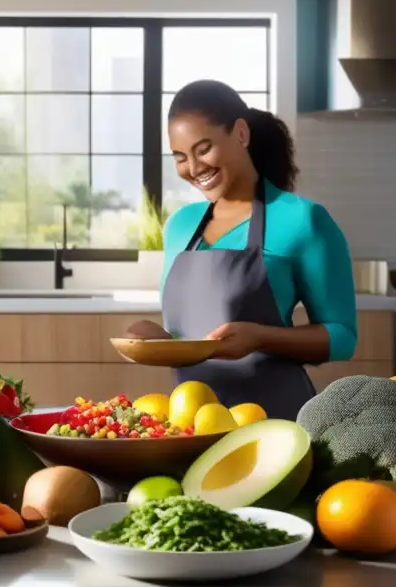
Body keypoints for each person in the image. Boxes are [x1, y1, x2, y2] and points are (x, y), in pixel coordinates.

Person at [136, 79, 357, 421]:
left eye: (203, 149)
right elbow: (197, 338)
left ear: (240, 134)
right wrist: (156, 339)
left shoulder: (302, 220)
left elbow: (342, 337)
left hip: (275, 423)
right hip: (191, 426)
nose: (193, 169)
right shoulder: (181, 226)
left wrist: (260, 338)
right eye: (180, 157)